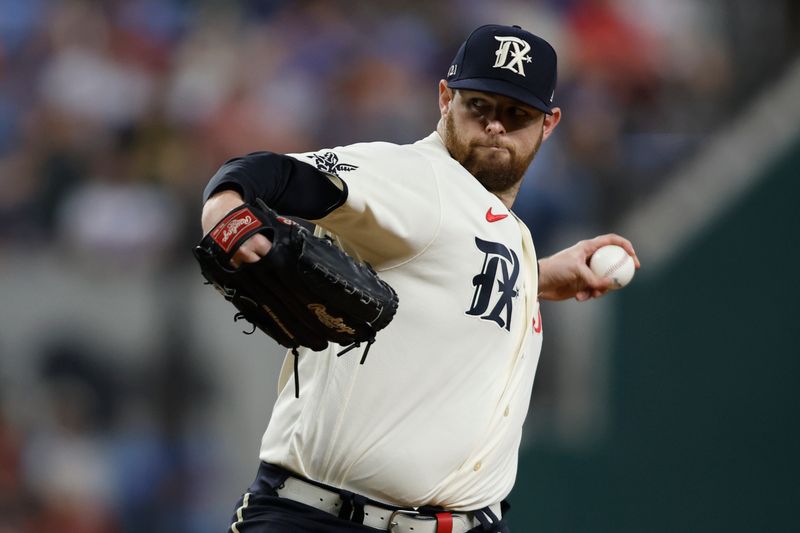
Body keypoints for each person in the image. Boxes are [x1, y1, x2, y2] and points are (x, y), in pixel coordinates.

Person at [200, 24, 639, 533]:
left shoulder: (504, 227)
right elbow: (263, 173)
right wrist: (226, 213)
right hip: (328, 519)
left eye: (516, 114)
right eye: (480, 106)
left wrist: (532, 278)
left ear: (548, 124)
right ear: (445, 98)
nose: (496, 125)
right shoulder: (413, 175)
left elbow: (440, 276)